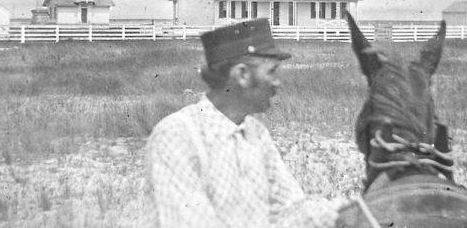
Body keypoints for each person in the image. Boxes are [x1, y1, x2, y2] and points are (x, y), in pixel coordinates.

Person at [145, 18, 346, 227]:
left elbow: (291, 211)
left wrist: (357, 210)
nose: (278, 83)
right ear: (241, 74)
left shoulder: (256, 134)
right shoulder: (177, 137)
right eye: (272, 72)